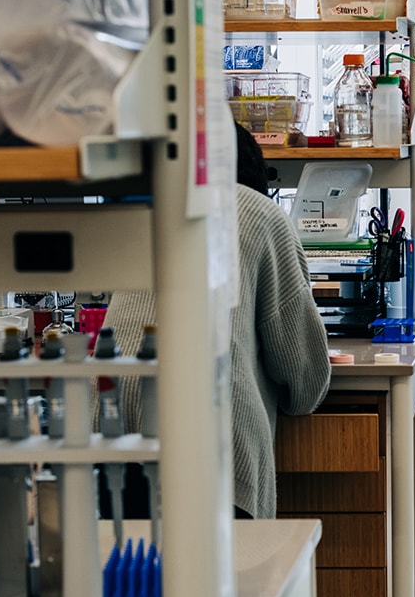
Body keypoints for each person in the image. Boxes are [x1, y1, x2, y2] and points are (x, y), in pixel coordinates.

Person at [100, 122, 331, 518]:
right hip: (207, 427)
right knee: (225, 573)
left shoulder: (152, 208)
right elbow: (304, 380)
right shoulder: (262, 214)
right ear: (257, 178)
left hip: (108, 422)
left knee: (135, 569)